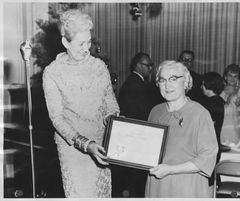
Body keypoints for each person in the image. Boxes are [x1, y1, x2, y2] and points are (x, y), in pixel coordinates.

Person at [42, 9, 119, 198]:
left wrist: (114, 121)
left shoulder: (98, 67)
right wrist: (85, 144)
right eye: (81, 43)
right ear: (65, 42)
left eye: (89, 42)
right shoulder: (52, 73)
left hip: (101, 145)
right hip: (73, 149)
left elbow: (110, 103)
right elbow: (57, 118)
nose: (87, 49)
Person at [145, 60, 218, 198]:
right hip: (157, 183)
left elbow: (207, 158)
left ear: (185, 82)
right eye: (162, 80)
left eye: (173, 79)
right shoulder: (155, 111)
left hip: (186, 186)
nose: (167, 85)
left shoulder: (200, 114)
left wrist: (171, 170)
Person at [112, 52, 163, 198]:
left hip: (133, 136)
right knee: (135, 183)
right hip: (137, 138)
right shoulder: (137, 85)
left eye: (152, 66)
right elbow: (142, 114)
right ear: (137, 65)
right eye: (148, 65)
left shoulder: (133, 82)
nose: (151, 69)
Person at [220, 64, 240, 145]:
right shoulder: (219, 91)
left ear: (238, 78)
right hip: (221, 132)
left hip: (235, 133)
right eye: (230, 76)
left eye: (235, 76)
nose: (232, 79)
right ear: (225, 77)